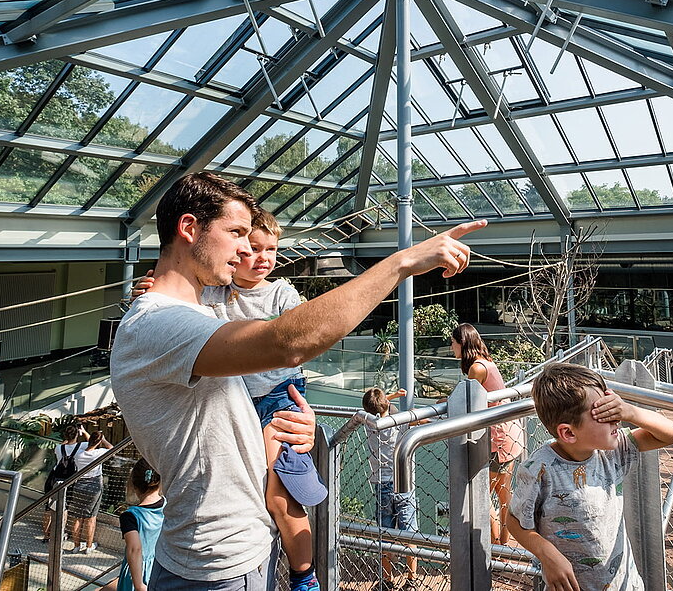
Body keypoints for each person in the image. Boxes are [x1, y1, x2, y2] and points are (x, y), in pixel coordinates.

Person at [111, 172, 484, 591]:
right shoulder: (158, 323)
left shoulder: (192, 315)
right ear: (189, 228)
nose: (244, 246)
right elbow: (288, 341)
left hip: (230, 551)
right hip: (218, 564)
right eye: (235, 232)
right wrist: (400, 263)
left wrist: (276, 428)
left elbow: (212, 425)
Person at [133, 208, 325, 591]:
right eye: (252, 248)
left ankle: (305, 576)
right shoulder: (213, 292)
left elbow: (303, 328)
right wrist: (149, 288)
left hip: (278, 398)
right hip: (239, 401)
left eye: (271, 249)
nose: (262, 258)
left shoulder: (281, 292)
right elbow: (177, 299)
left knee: (281, 492)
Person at [507, 363, 673, 591]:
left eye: (614, 410)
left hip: (625, 583)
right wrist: (546, 552)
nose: (617, 420)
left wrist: (630, 411)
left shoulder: (612, 450)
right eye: (604, 414)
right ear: (568, 432)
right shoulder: (539, 469)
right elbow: (514, 521)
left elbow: (672, 434)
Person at [450, 323, 524, 545]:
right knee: (503, 494)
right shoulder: (487, 362)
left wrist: (448, 403)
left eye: (453, 343)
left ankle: (494, 546)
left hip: (497, 439)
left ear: (462, 343)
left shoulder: (476, 368)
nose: (452, 347)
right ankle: (503, 544)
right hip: (510, 434)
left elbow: (469, 402)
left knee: (483, 495)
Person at [362, 387, 418, 591]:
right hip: (403, 483)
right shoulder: (399, 422)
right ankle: (412, 580)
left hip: (381, 484)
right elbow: (404, 416)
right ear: (386, 404)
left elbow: (372, 409)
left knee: (384, 535)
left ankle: (387, 580)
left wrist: (388, 398)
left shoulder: (369, 424)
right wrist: (390, 400)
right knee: (410, 534)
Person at [115, 458, 165, 591]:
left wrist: (138, 585)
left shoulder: (130, 516)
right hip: (160, 567)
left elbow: (134, 549)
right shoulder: (167, 506)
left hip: (137, 572)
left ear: (134, 485)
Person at [66, 426, 113, 553]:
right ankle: (88, 546)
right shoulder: (99, 453)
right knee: (91, 518)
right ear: (98, 442)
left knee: (77, 517)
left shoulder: (78, 453)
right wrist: (102, 440)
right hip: (94, 486)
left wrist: (86, 434)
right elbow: (111, 448)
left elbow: (88, 443)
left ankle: (76, 546)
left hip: (79, 484)